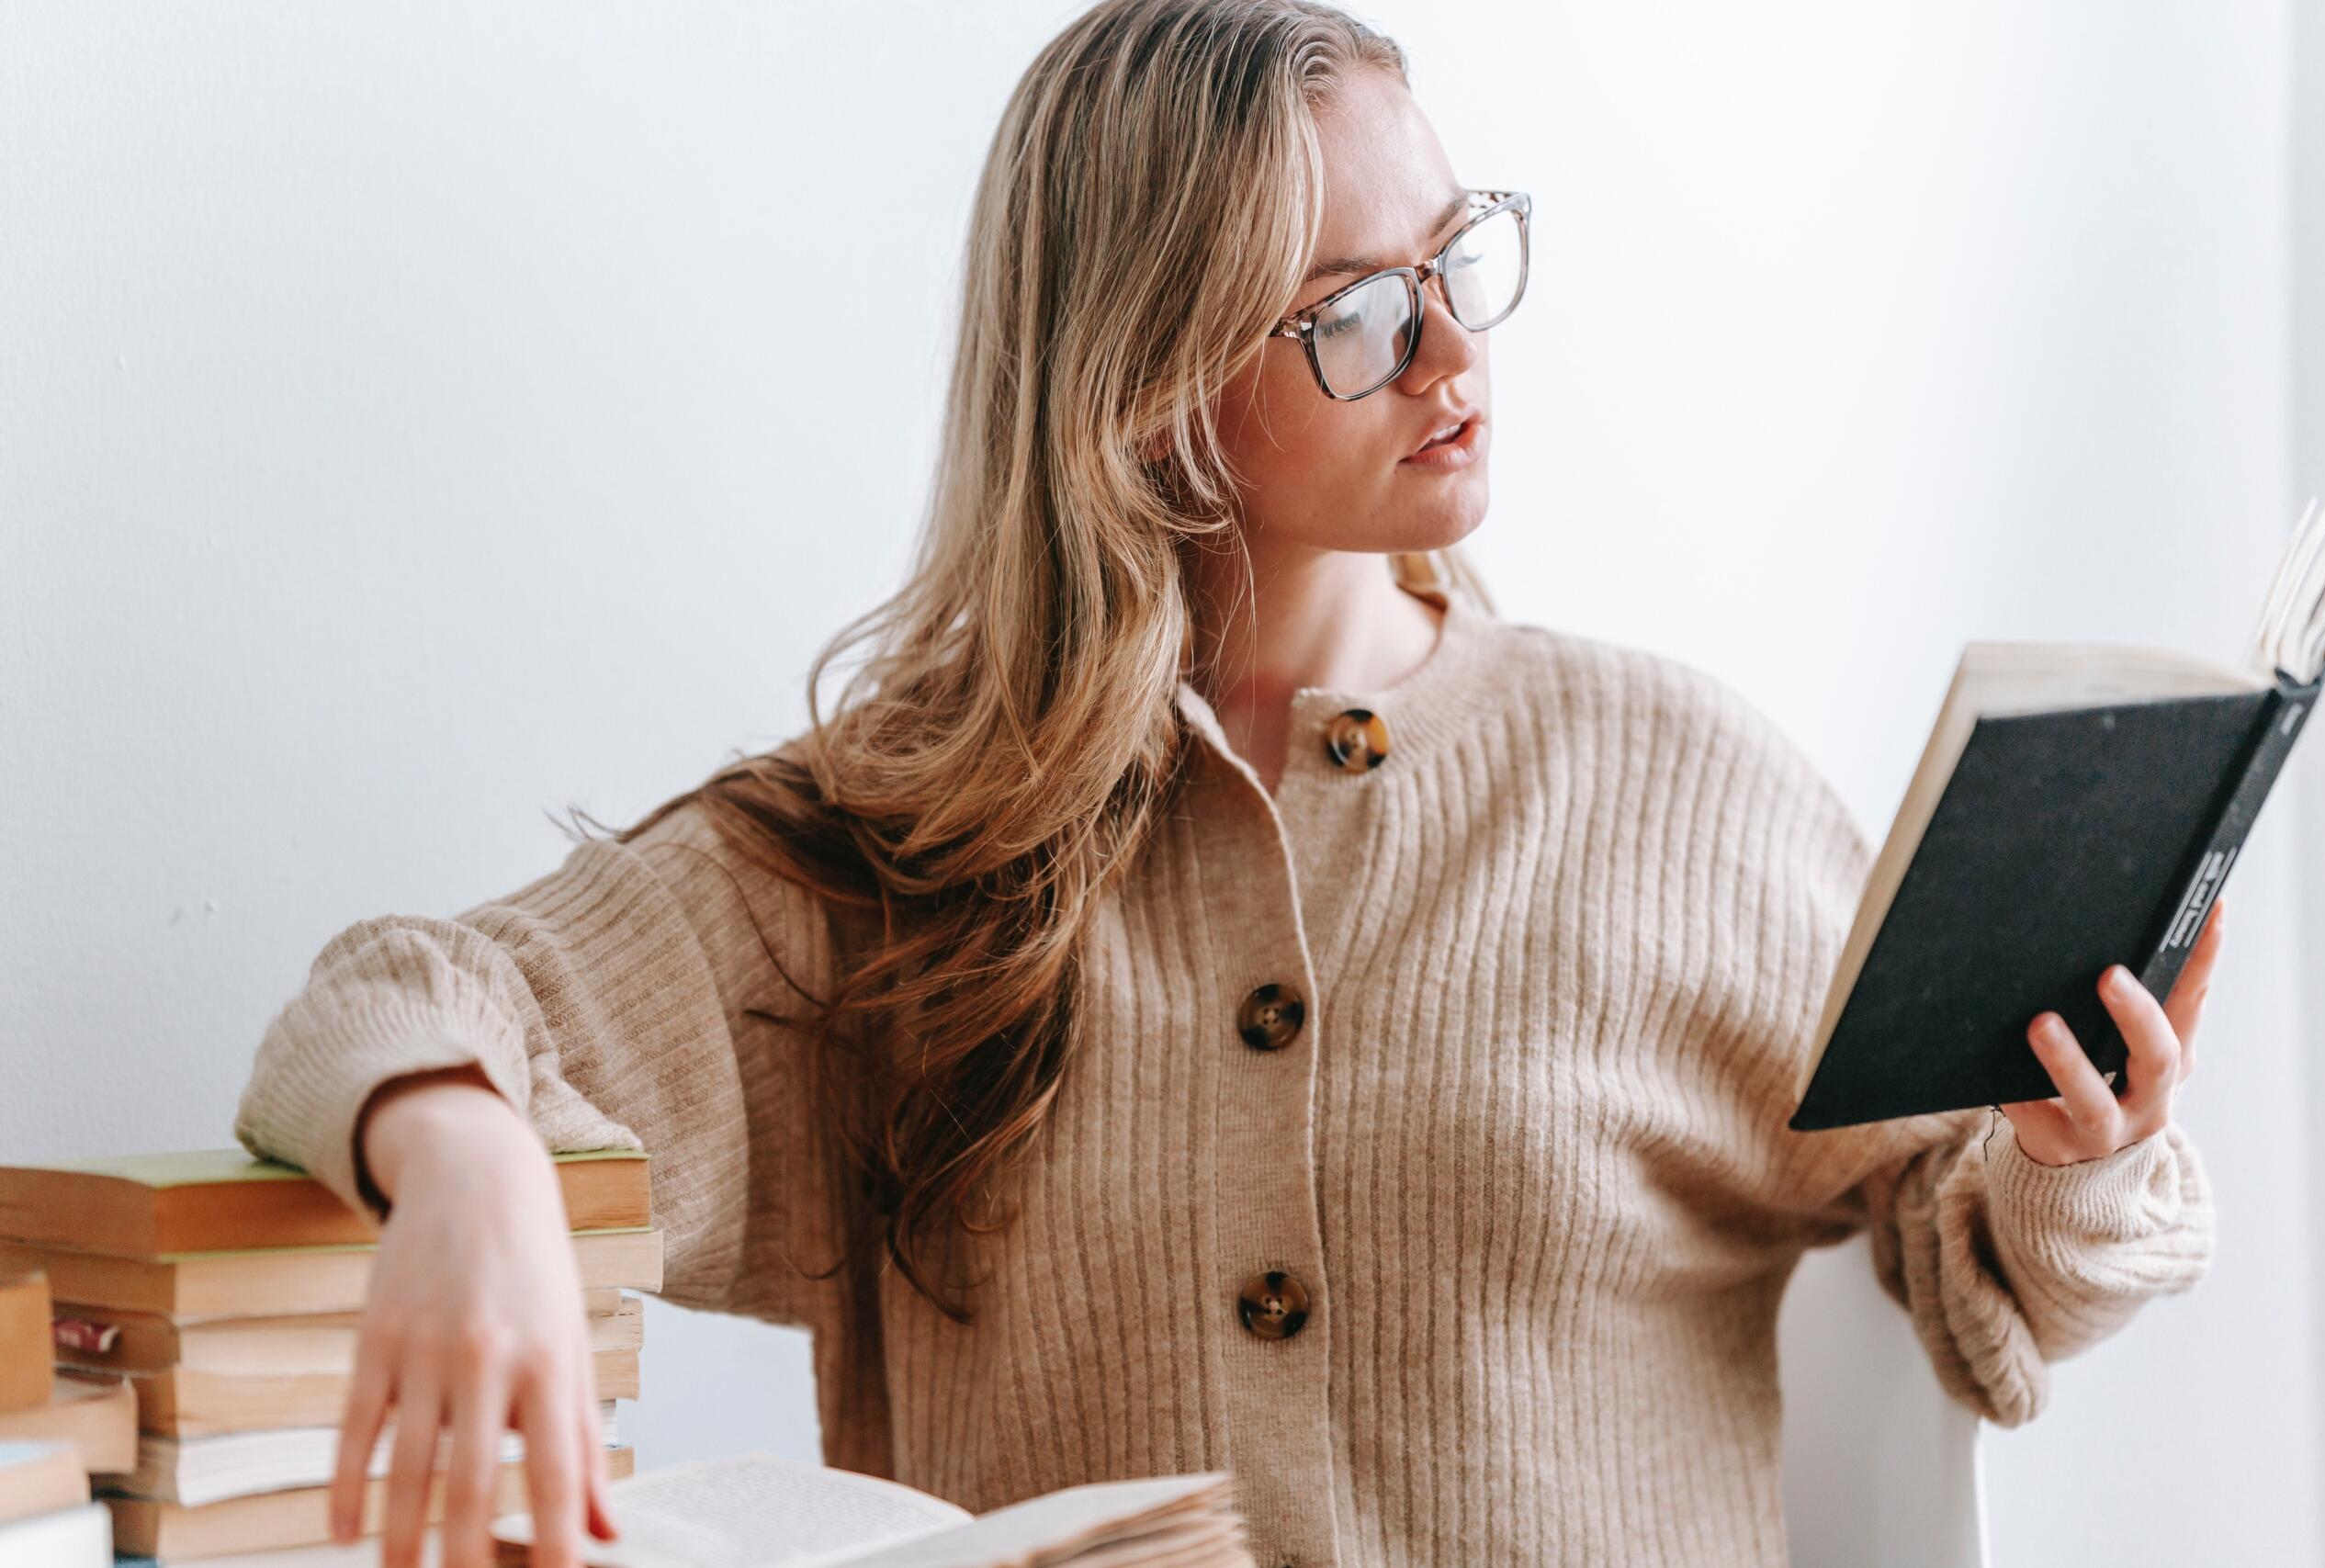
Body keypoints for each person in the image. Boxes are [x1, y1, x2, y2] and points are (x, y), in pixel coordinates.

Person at [231, 3, 2223, 1565]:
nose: (1449, 346)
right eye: (1352, 311)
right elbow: (397, 990)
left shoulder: (1667, 783)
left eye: (1455, 253)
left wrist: (2076, 1158)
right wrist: (471, 1156)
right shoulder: (905, 851)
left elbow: (1976, 1278)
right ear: (1143, 385)